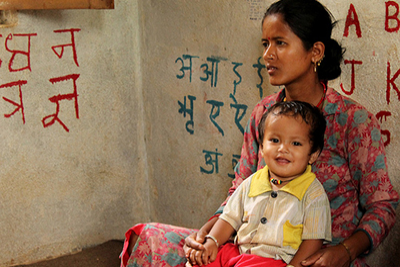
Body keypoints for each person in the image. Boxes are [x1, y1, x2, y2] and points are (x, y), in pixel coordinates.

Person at [120, 0, 399, 267]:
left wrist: (345, 252)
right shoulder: (264, 113)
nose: (267, 55)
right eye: (265, 43)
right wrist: (205, 234)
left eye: (280, 43)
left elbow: (382, 205)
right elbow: (240, 190)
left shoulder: (352, 120)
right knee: (150, 239)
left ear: (315, 51)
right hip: (248, 252)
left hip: (316, 260)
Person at [186, 101, 331, 267]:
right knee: (201, 260)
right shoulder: (251, 183)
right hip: (238, 252)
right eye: (275, 140)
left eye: (295, 143)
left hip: (274, 261)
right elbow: (229, 218)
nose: (283, 148)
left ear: (313, 154)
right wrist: (212, 241)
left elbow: (313, 242)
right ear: (262, 148)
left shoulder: (313, 194)